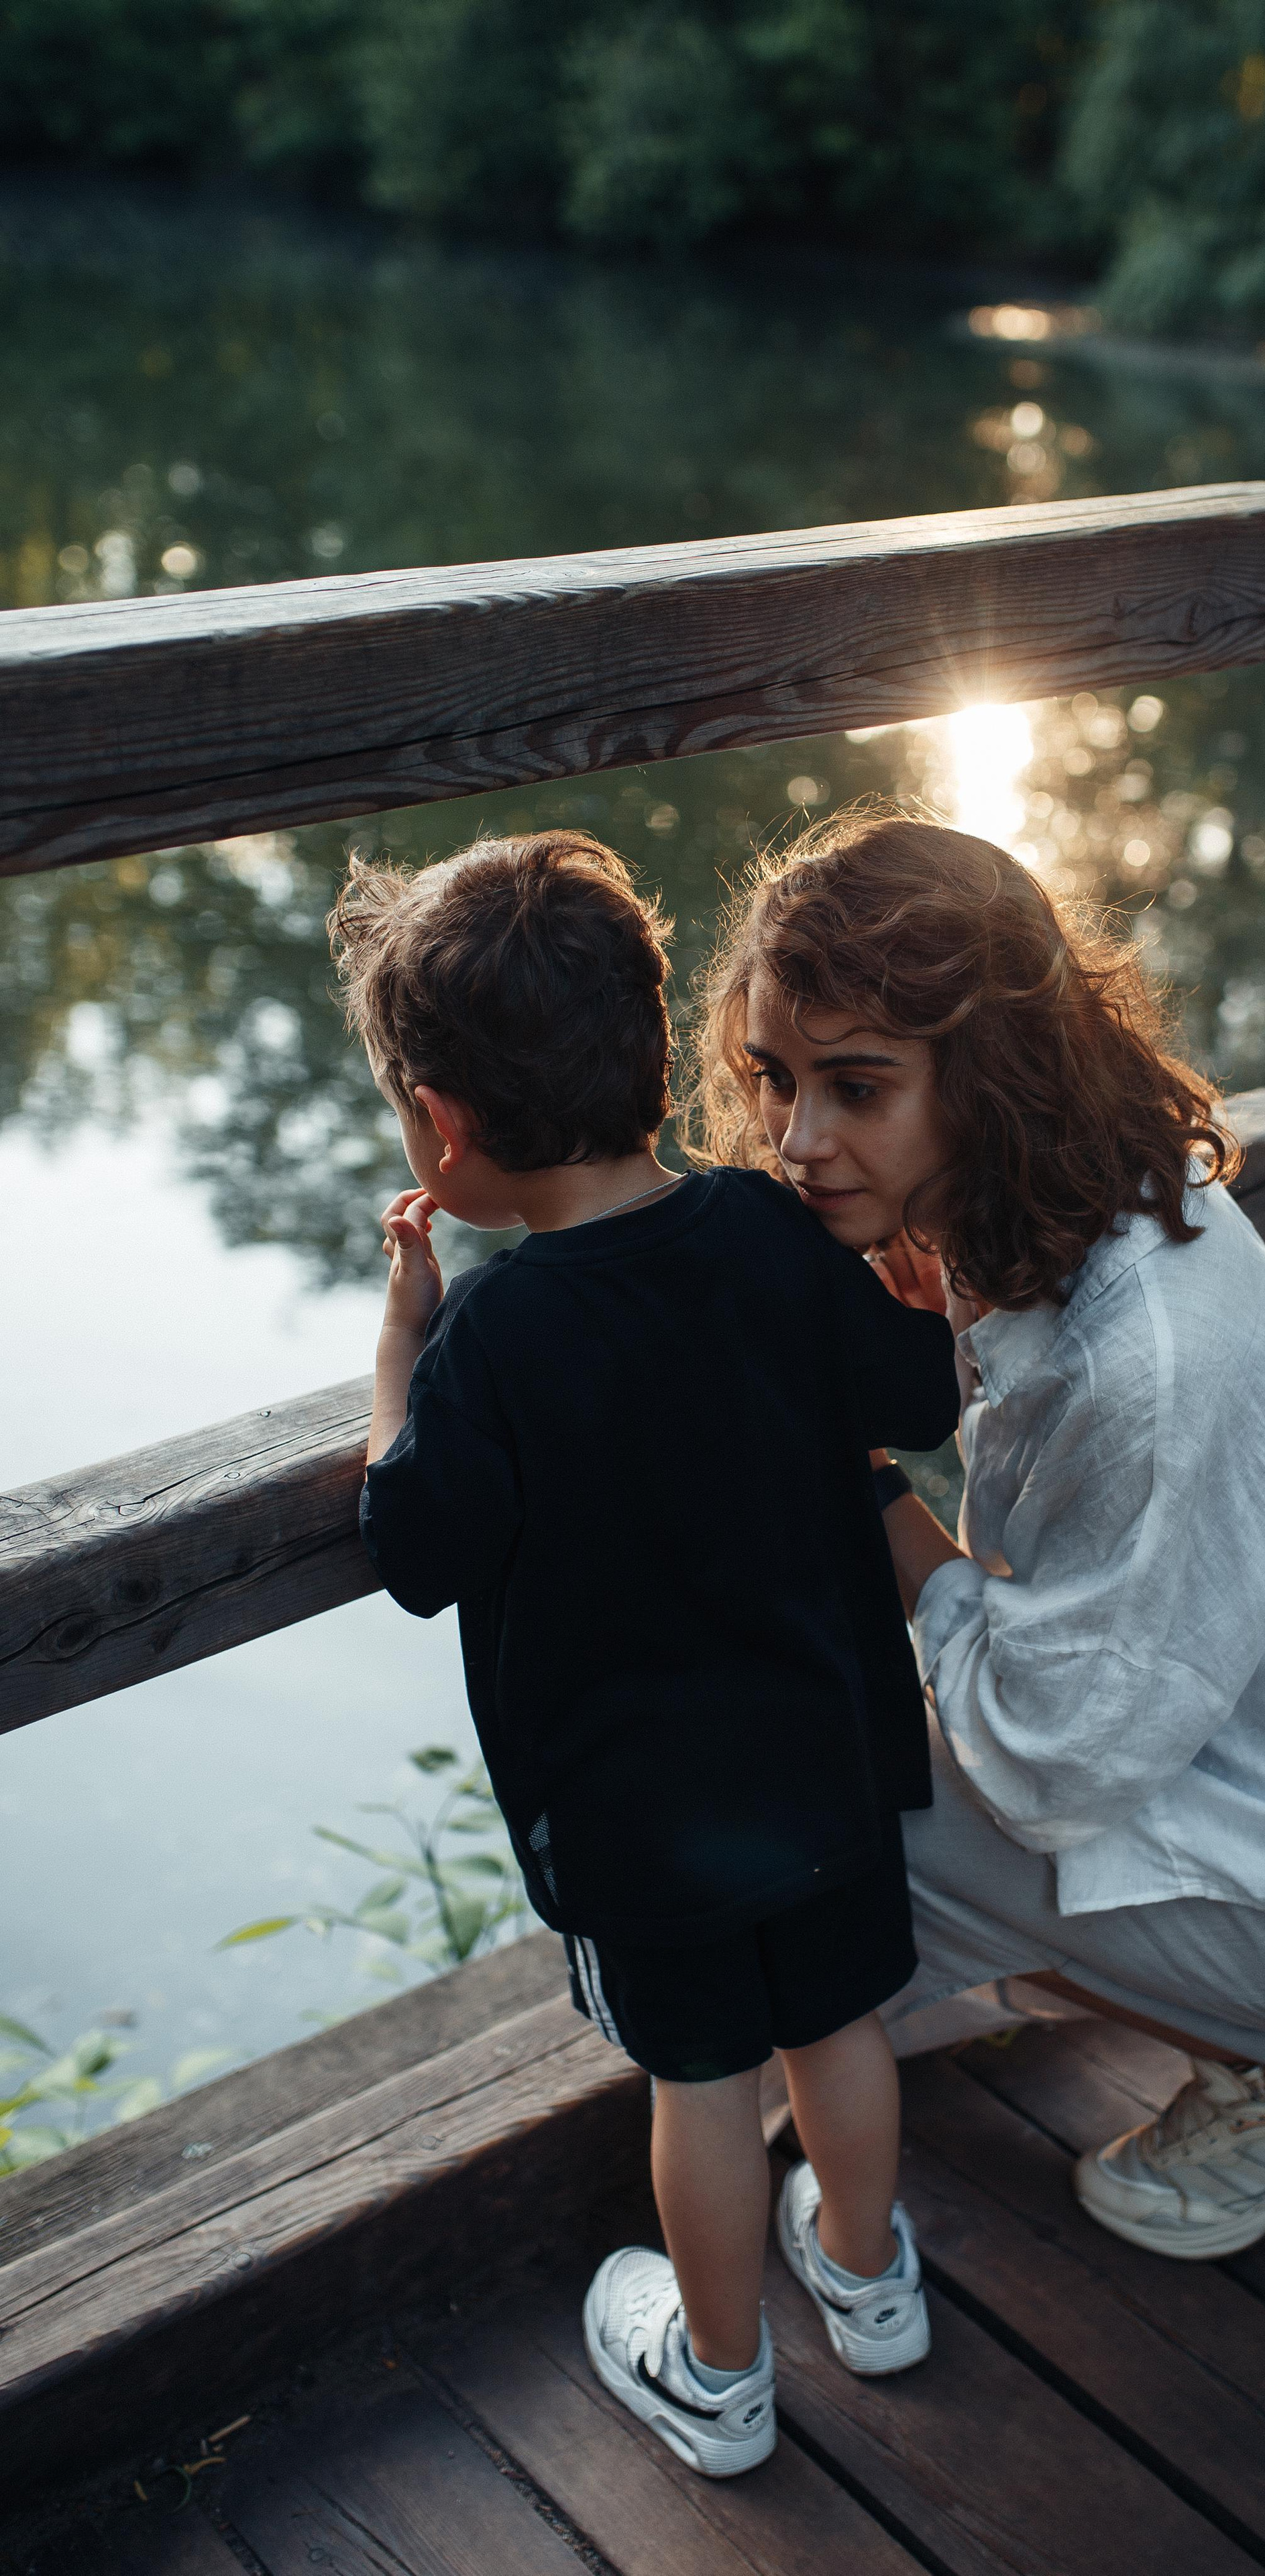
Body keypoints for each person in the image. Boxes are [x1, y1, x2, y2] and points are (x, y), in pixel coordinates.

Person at [698, 806, 1265, 2262]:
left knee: (835, 1827)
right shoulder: (1103, 1204)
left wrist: (863, 1490)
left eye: (856, 1087)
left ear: (988, 1073)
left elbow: (1053, 1756)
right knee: (917, 1822)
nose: (796, 1139)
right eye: (775, 1081)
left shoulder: (1145, 1354)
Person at [335, 830, 957, 2474]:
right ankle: (870, 2285)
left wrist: (401, 1350)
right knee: (839, 2031)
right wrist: (890, 1286)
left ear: (442, 1127)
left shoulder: (493, 1340)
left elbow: (417, 1549)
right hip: (827, 1762)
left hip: (642, 1833)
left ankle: (723, 2378)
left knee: (700, 2083)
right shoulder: (769, 1231)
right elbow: (915, 1398)